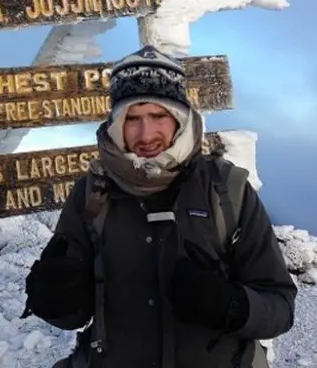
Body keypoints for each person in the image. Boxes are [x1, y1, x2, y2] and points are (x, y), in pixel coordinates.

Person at [20, 45, 297, 367]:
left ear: (180, 119)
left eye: (158, 116)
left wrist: (232, 306)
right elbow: (73, 317)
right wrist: (55, 297)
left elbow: (280, 306)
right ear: (115, 124)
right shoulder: (91, 195)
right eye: (132, 118)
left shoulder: (228, 191)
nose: (146, 133)